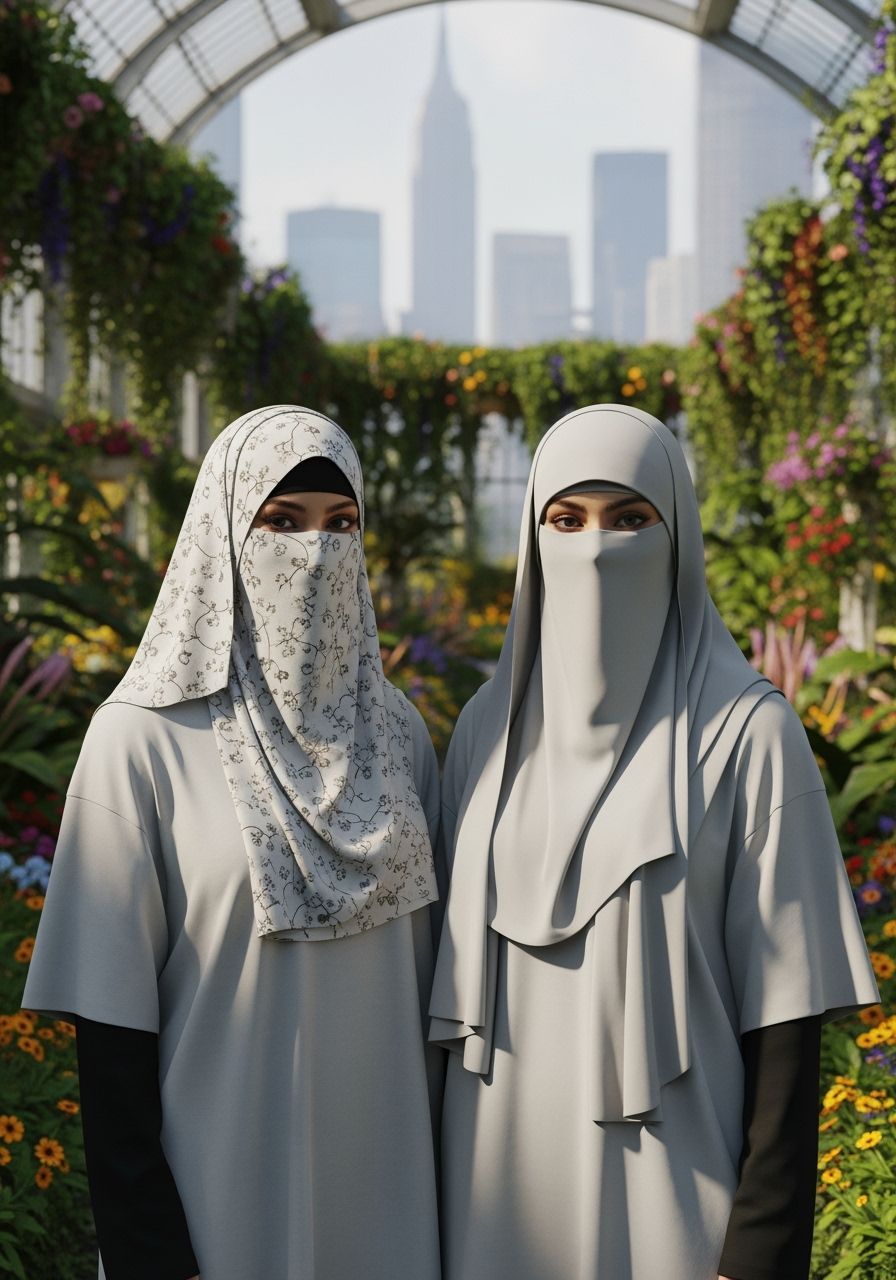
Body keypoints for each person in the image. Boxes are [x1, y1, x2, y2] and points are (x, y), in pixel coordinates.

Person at [429, 404, 878, 1280]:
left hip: (678, 1209)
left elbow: (786, 1023)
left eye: (630, 518)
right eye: (567, 520)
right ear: (534, 541)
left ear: (678, 539)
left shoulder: (748, 734)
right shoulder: (487, 731)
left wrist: (756, 1253)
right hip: (492, 1198)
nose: (597, 548)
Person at [23, 405, 443, 1280]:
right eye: (281, 523)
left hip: (392, 1205)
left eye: (342, 525)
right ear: (221, 534)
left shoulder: (399, 737)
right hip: (212, 1218)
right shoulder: (139, 743)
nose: (316, 551)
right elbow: (110, 1043)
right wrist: (150, 1257)